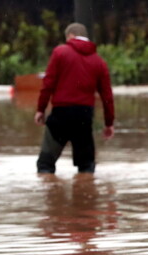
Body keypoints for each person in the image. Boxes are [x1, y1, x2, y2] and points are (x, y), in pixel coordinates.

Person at [35, 22, 115, 174]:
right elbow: (107, 95)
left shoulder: (60, 53)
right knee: (86, 166)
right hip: (84, 116)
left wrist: (40, 109)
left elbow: (48, 84)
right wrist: (109, 122)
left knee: (45, 164)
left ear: (70, 36)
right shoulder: (99, 62)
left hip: (61, 114)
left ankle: (49, 192)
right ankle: (86, 192)